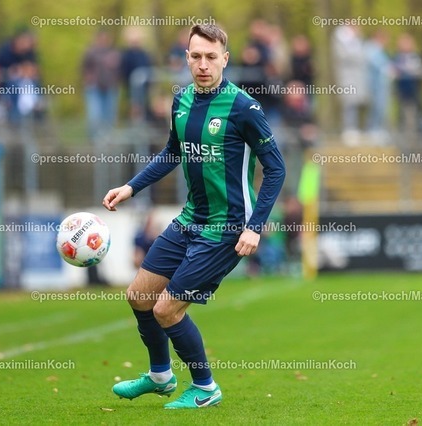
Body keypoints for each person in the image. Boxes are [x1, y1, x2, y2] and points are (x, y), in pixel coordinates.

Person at [103, 24, 285, 409]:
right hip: (191, 220)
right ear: (186, 58)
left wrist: (255, 227)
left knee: (166, 309)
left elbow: (276, 169)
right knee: (139, 296)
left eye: (211, 57)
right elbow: (173, 152)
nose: (203, 64)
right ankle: (160, 376)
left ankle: (205, 387)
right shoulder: (181, 100)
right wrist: (131, 187)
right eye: (196, 56)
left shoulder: (244, 108)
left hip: (227, 228)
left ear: (225, 59)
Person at [81, 30, 120, 140]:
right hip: (94, 88)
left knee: (109, 116)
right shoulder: (90, 52)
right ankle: (95, 140)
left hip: (110, 88)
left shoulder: (113, 53)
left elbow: (119, 71)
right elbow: (84, 68)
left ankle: (108, 140)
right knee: (95, 115)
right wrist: (89, 79)